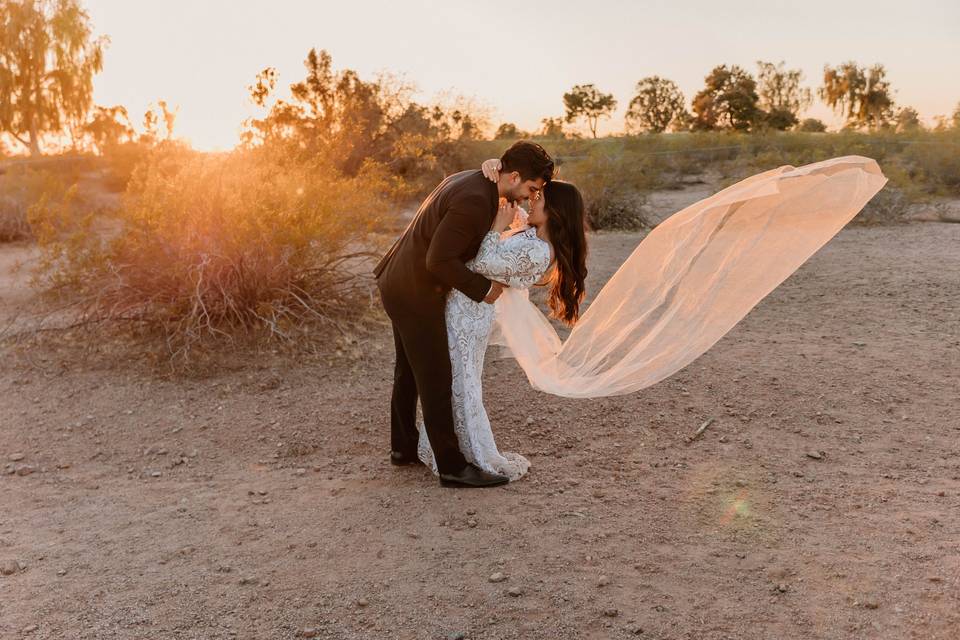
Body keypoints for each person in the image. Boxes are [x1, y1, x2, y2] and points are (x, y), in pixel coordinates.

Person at [373, 141, 554, 488]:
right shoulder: (475, 199)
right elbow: (438, 261)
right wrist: (482, 290)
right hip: (413, 291)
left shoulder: (474, 180)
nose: (530, 196)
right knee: (437, 376)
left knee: (408, 371)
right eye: (531, 188)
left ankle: (403, 449)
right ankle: (453, 467)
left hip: (398, 280)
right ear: (513, 176)